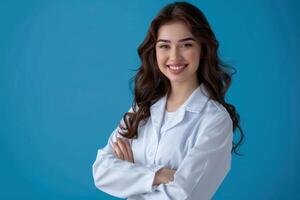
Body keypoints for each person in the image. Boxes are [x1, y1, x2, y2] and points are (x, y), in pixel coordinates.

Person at [92, 1, 244, 199]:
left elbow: (184, 195)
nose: (174, 56)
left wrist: (130, 175)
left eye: (186, 45)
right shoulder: (142, 108)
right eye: (165, 46)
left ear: (203, 49)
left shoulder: (214, 120)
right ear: (154, 51)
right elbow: (101, 171)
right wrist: (158, 175)